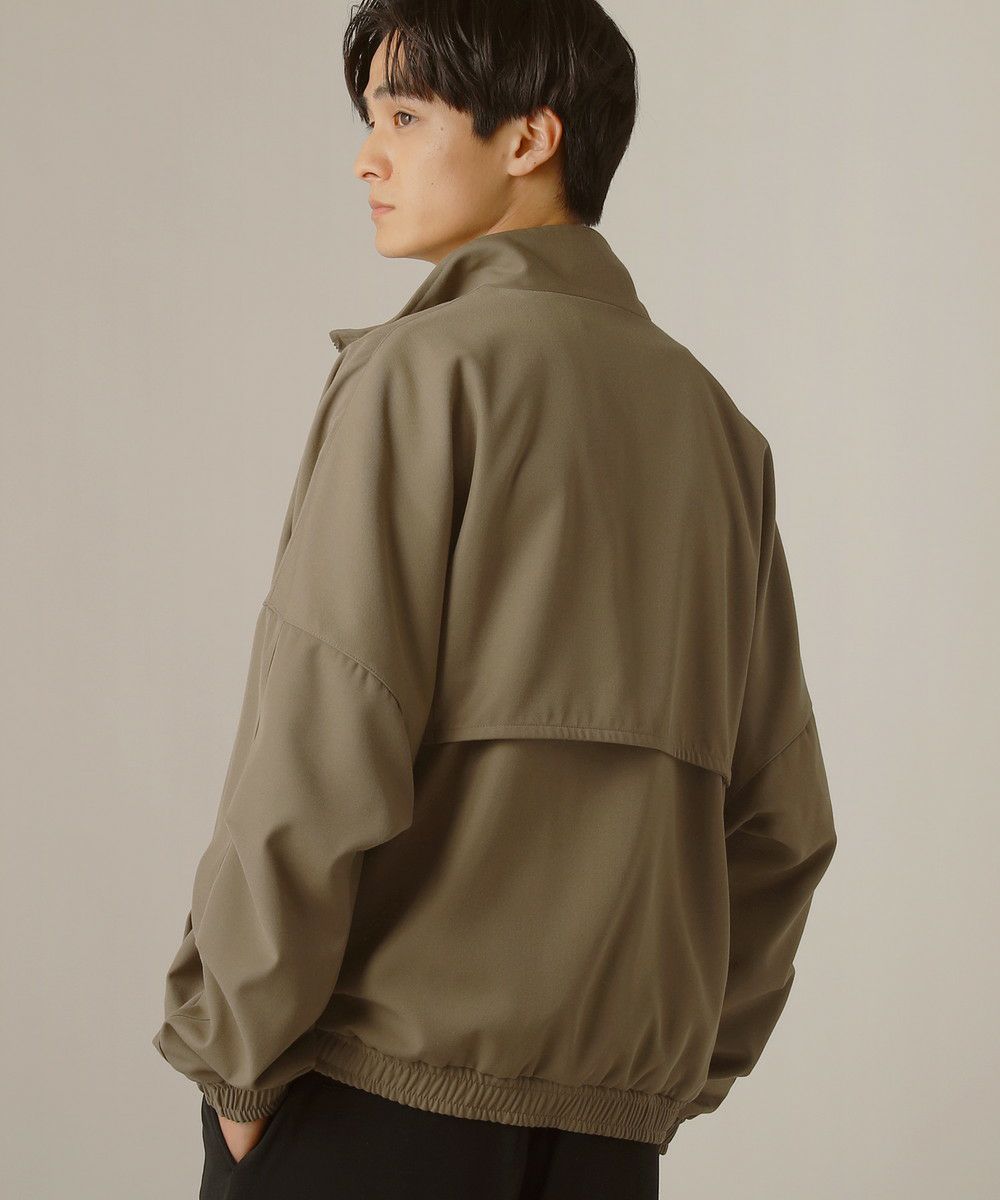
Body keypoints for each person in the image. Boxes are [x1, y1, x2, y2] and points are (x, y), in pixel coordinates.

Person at [151, 2, 838, 1197]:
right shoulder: (718, 429)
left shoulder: (416, 374)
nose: (366, 158)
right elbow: (783, 818)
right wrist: (658, 1077)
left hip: (368, 1101)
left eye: (405, 117)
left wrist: (235, 1063)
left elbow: (320, 745)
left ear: (529, 138)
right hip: (603, 1138)